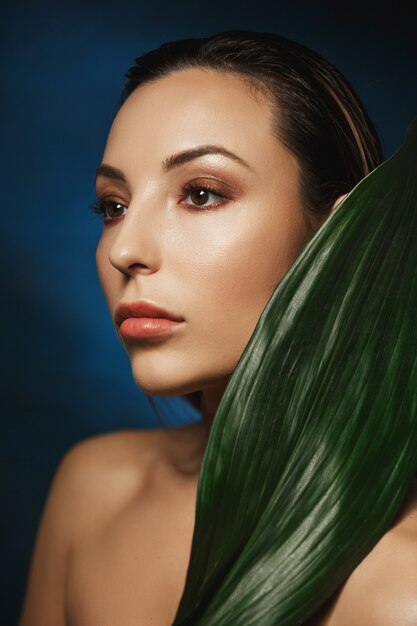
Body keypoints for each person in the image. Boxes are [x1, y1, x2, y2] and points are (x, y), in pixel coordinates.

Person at [18, 30, 417, 626]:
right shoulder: (94, 490)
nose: (124, 248)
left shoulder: (398, 585)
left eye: (201, 193)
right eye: (114, 206)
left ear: (338, 238)